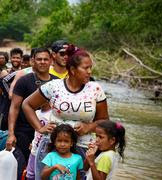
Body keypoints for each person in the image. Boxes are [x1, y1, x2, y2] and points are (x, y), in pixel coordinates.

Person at [22, 44, 109, 160]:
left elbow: (104, 121)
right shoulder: (54, 86)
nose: (89, 72)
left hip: (82, 148)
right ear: (72, 70)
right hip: (52, 146)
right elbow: (27, 105)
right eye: (85, 68)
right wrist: (40, 128)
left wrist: (89, 127)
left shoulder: (95, 89)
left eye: (90, 68)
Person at [6, 48, 58, 180]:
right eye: (39, 59)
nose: (42, 62)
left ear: (51, 61)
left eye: (46, 59)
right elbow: (15, 107)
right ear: (33, 61)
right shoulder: (24, 80)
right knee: (21, 163)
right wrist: (11, 133)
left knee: (46, 167)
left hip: (48, 132)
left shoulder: (57, 83)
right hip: (24, 130)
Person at [26, 103, 51, 180]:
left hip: (44, 153)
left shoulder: (52, 114)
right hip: (34, 150)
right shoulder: (36, 113)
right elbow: (36, 131)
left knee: (40, 175)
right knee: (30, 175)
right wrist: (33, 142)